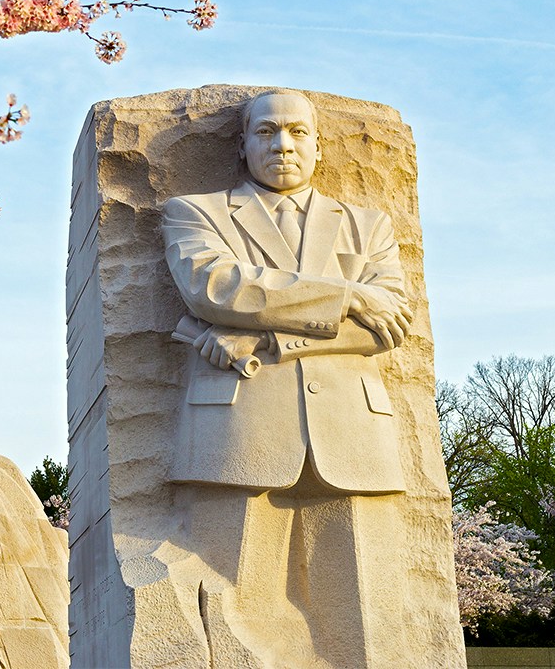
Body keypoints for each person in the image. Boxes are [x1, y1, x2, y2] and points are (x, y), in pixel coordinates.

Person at [157, 88, 415, 665]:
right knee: (229, 621)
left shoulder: (368, 227)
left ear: (319, 145)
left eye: (298, 132)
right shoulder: (197, 213)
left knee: (368, 627)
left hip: (352, 431)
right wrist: (347, 295)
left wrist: (273, 337)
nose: (283, 145)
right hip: (239, 427)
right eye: (267, 131)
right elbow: (217, 288)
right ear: (243, 144)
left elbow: (386, 328)